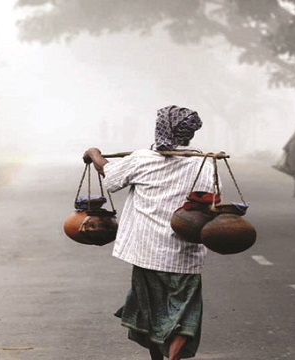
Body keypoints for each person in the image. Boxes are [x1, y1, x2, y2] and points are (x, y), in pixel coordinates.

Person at [83, 105, 215, 360]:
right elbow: (210, 200)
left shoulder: (142, 159)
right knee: (183, 313)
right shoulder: (202, 163)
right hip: (184, 253)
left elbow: (109, 176)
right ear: (189, 134)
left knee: (151, 311)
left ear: (161, 128)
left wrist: (94, 153)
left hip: (147, 252)